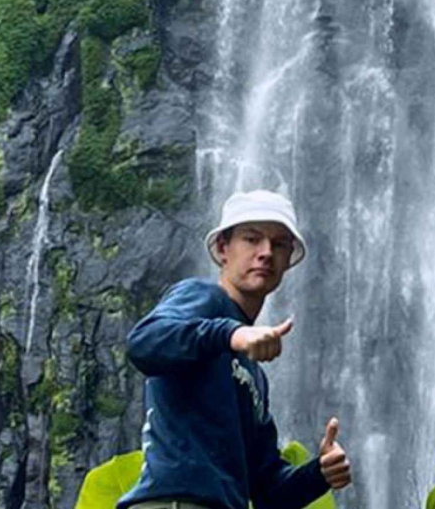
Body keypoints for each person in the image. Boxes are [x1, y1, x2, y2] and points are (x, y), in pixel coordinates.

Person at [117, 189, 353, 509]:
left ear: (288, 261)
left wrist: (320, 474)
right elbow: (145, 342)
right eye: (252, 239)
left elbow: (267, 490)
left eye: (279, 244)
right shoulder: (201, 298)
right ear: (222, 247)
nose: (266, 252)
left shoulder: (254, 374)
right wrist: (232, 334)